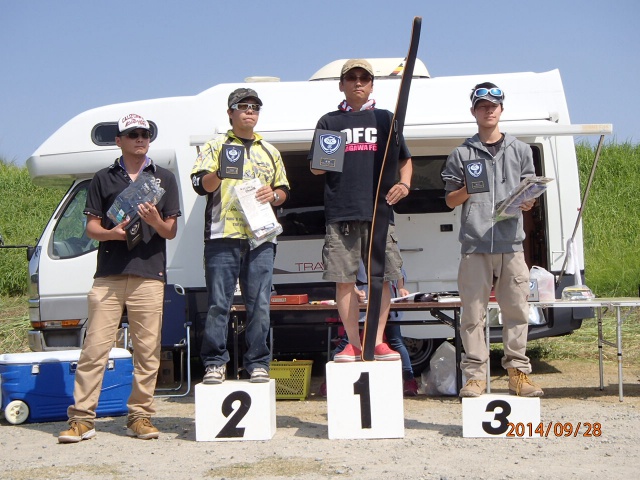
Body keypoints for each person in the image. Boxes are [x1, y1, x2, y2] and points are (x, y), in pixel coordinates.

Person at [58, 113, 181, 443]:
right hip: (109, 274)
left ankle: (139, 417)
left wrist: (155, 220)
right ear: (119, 141)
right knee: (94, 348)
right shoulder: (103, 177)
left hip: (148, 274)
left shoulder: (164, 177)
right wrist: (113, 234)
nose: (140, 139)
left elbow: (170, 230)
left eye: (145, 134)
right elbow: (91, 228)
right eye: (133, 134)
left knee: (147, 351)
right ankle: (82, 419)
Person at [440, 82, 544, 398]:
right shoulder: (461, 152)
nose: (489, 110)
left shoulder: (521, 150)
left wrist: (529, 202)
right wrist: (468, 190)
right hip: (475, 244)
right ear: (474, 111)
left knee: (516, 311)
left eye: (493, 105)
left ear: (501, 110)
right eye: (482, 105)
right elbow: (449, 201)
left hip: (512, 243)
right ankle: (475, 377)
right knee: (472, 314)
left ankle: (518, 374)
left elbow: (531, 194)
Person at [309, 59, 412, 362]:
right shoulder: (329, 121)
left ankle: (377, 340)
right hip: (341, 212)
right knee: (344, 280)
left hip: (379, 211)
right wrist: (322, 160)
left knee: (382, 278)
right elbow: (315, 169)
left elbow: (404, 158)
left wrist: (404, 185)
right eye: (351, 78)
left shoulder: (385, 118)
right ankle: (353, 343)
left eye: (363, 78)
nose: (358, 83)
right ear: (341, 84)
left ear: (371, 84)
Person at [191, 88, 290, 384]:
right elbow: (201, 185)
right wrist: (220, 172)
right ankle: (214, 363)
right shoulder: (214, 145)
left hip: (261, 236)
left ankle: (258, 362)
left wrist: (273, 195)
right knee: (219, 303)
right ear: (230, 112)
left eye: (255, 107)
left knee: (259, 303)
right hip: (223, 234)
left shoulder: (270, 151)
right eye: (243, 106)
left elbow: (285, 191)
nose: (250, 111)